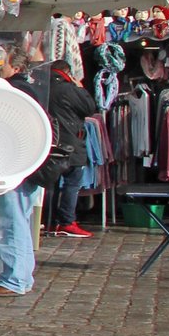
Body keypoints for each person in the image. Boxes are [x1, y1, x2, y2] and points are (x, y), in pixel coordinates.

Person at [0, 46, 42, 298]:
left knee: (11, 221)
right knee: (19, 220)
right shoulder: (27, 89)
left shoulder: (13, 91)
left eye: (1, 63)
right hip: (24, 165)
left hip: (13, 166)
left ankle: (15, 278)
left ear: (15, 67)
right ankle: (20, 276)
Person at [46, 60, 99, 238]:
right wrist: (81, 88)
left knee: (49, 184)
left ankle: (48, 221)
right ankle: (67, 222)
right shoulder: (68, 89)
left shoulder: (42, 87)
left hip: (48, 143)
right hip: (71, 143)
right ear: (67, 72)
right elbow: (89, 108)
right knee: (72, 184)